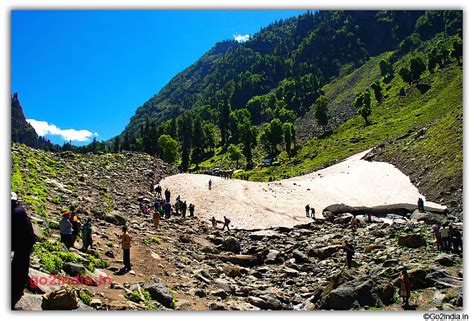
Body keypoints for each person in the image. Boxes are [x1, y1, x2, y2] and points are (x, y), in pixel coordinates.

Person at [11, 192, 37, 309]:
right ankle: (17, 287)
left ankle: (17, 289)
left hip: (24, 242)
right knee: (19, 263)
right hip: (24, 241)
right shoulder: (18, 209)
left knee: (19, 264)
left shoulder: (16, 212)